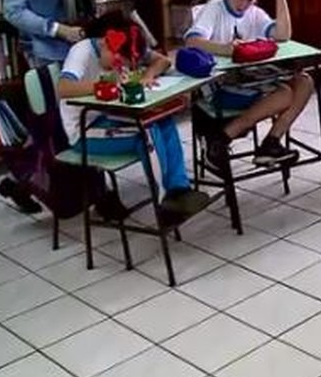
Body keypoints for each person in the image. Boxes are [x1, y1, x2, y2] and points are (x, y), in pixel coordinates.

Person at [0, 0, 102, 212]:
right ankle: (96, 196)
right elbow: (12, 10)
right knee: (63, 120)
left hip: (82, 42)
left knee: (51, 123)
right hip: (47, 47)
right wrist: (57, 30)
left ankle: (19, 182)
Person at [57, 12, 209, 223]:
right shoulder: (81, 52)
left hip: (111, 118)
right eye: (120, 62)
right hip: (85, 131)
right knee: (146, 134)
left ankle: (179, 189)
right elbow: (63, 88)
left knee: (163, 121)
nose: (121, 67)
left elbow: (162, 61)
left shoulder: (127, 43)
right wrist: (106, 86)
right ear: (106, 44)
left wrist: (147, 76)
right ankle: (166, 201)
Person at [184, 0, 311, 169]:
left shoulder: (255, 13)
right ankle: (221, 139)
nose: (243, 5)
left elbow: (283, 35)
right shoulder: (214, 9)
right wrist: (227, 49)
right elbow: (191, 42)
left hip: (250, 80)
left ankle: (271, 143)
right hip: (220, 85)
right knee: (285, 93)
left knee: (305, 82)